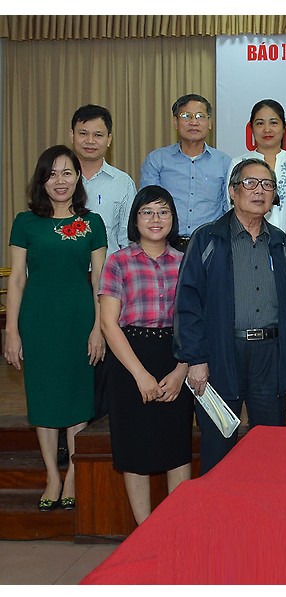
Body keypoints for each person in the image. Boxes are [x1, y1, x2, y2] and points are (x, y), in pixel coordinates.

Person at [4, 145, 107, 511]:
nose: (59, 181)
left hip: (79, 321)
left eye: (66, 173)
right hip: (38, 322)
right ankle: (52, 475)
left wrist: (98, 328)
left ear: (78, 177)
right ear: (41, 180)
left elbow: (100, 282)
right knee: (44, 398)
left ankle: (75, 473)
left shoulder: (92, 223)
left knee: (77, 399)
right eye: (51, 174)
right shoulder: (25, 222)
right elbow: (17, 279)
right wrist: (11, 331)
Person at [174, 158, 286, 474]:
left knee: (271, 449)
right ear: (232, 191)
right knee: (218, 449)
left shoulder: (280, 242)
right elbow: (188, 302)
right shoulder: (208, 239)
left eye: (267, 185)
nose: (259, 191)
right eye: (250, 183)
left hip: (269, 355)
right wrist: (196, 359)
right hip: (221, 356)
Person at [98, 186, 193, 525]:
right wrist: (140, 375)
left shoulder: (186, 263)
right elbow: (108, 324)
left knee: (177, 449)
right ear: (135, 219)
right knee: (134, 449)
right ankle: (145, 532)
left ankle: (175, 530)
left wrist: (182, 371)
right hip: (129, 360)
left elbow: (196, 323)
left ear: (173, 218)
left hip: (175, 358)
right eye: (147, 212)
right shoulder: (118, 261)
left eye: (163, 212)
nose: (156, 219)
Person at [140, 93, 231, 252]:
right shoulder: (157, 160)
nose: (193, 122)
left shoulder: (224, 163)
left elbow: (228, 208)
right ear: (176, 122)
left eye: (200, 116)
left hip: (210, 245)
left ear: (209, 123)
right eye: (186, 116)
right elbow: (148, 207)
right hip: (166, 245)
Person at [227, 99, 286, 233]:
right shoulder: (238, 163)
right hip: (246, 238)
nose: (267, 129)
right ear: (251, 128)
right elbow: (231, 206)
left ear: (284, 128)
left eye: (273, 123)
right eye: (260, 123)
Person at [70, 104, 136, 256]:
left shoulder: (123, 183)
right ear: (72, 135)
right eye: (83, 133)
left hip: (109, 269)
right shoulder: (56, 180)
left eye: (98, 135)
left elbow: (128, 239)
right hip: (63, 267)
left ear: (109, 139)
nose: (90, 141)